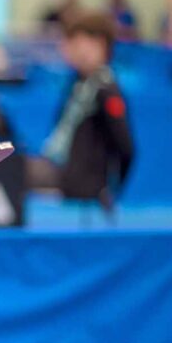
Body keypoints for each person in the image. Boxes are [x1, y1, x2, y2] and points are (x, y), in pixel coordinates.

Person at [30, 12, 134, 208]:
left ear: (99, 44)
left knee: (11, 170)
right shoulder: (78, 83)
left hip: (80, 182)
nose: (65, 49)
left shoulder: (106, 90)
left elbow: (126, 147)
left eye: (75, 43)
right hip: (57, 168)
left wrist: (112, 190)